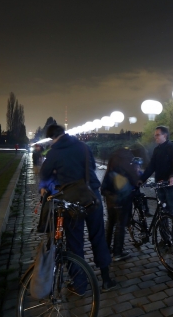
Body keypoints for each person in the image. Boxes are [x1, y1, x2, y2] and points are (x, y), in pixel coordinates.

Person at [39, 124, 118, 293]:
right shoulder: (83, 146)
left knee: (75, 243)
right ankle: (106, 279)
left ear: (52, 138)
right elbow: (92, 169)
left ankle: (80, 285)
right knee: (98, 237)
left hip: (71, 201)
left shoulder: (54, 152)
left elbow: (44, 174)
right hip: (91, 197)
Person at [140, 126, 173, 245]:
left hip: (170, 185)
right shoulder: (157, 149)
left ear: (165, 135)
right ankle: (164, 239)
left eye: (157, 135)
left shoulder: (172, 148)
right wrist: (141, 179)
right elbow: (151, 167)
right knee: (161, 212)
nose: (155, 137)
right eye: (155, 135)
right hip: (160, 184)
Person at [101, 147, 140, 261]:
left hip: (109, 197)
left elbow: (104, 184)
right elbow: (134, 179)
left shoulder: (112, 162)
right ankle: (118, 252)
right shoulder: (128, 162)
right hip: (122, 198)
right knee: (120, 224)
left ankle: (106, 248)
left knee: (110, 222)